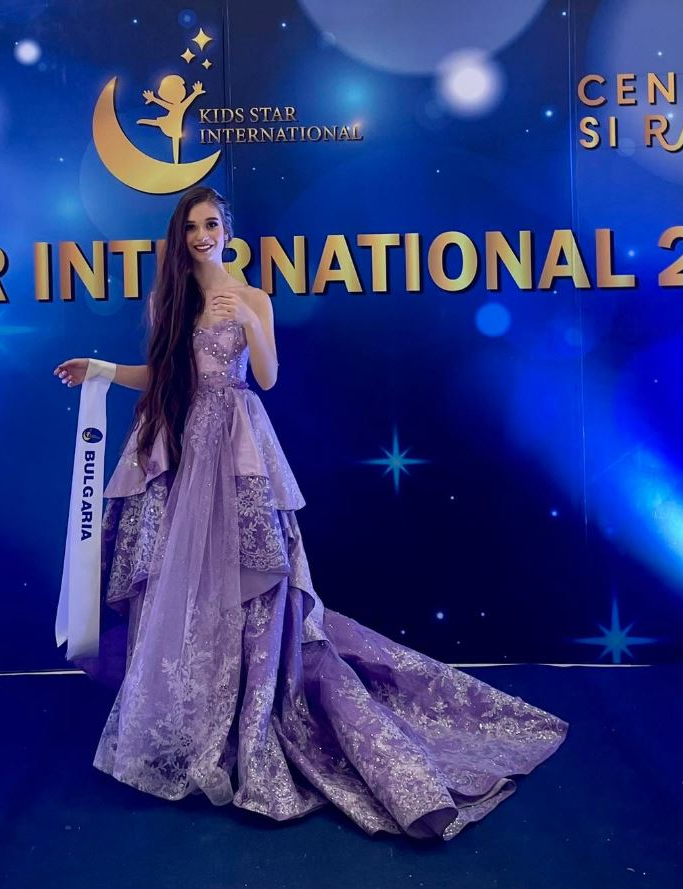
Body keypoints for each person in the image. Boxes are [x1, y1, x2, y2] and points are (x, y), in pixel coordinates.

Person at [53, 186, 566, 841]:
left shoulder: (252, 296)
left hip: (239, 443)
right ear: (180, 238)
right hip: (187, 448)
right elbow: (162, 376)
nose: (203, 236)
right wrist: (99, 369)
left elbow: (266, 376)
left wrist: (250, 318)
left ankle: (250, 712)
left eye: (211, 224)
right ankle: (187, 719)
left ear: (227, 231)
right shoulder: (169, 301)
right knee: (185, 585)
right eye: (192, 228)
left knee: (254, 581)